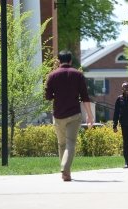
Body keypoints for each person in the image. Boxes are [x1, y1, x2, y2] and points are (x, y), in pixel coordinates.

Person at [45, 50, 94, 181]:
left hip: (58, 115)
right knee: (70, 143)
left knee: (61, 144)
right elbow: (85, 97)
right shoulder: (78, 75)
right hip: (73, 114)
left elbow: (48, 96)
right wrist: (90, 116)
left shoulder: (52, 75)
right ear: (71, 61)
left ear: (59, 61)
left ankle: (65, 172)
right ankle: (65, 169)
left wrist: (58, 95)